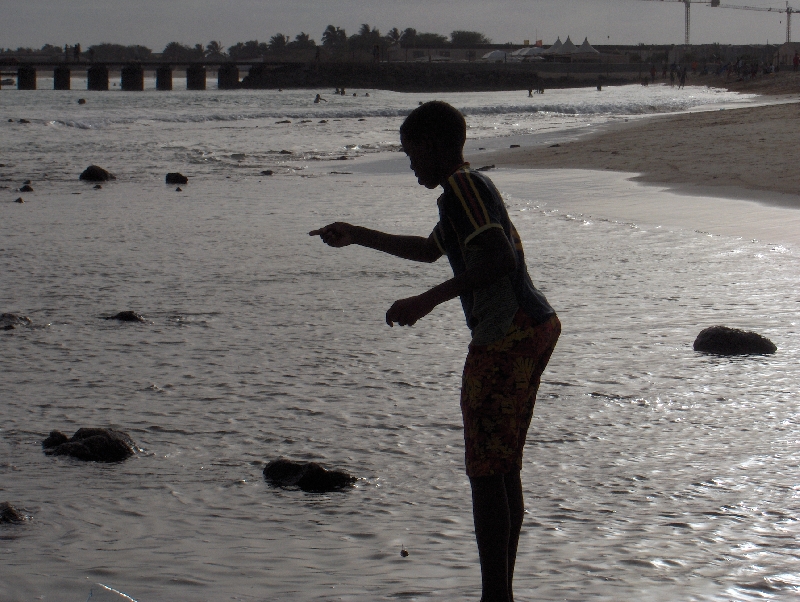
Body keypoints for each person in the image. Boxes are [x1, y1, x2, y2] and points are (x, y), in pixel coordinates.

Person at [309, 101, 560, 602]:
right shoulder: (465, 192)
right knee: (502, 466)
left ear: (437, 146)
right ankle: (500, 594)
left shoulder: (463, 189)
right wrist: (357, 235)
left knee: (488, 472)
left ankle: (496, 597)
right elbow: (429, 252)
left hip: (507, 335)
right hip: (533, 326)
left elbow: (499, 260)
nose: (410, 164)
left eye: (412, 153)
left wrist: (427, 301)